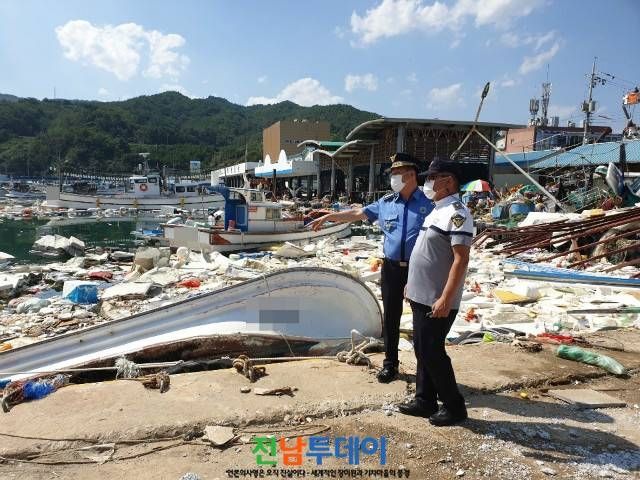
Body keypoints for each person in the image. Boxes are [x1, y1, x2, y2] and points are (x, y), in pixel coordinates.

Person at [309, 153, 433, 383]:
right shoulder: (386, 203)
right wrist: (329, 216)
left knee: (421, 320)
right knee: (391, 317)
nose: (392, 178)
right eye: (392, 173)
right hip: (392, 269)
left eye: (396, 173)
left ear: (411, 175)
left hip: (420, 269)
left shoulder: (430, 203)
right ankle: (390, 364)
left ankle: (425, 369)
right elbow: (357, 214)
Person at [399, 159, 473, 427]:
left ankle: (454, 406)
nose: (427, 182)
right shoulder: (437, 210)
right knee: (421, 348)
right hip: (420, 294)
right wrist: (411, 284)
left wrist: (445, 298)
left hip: (437, 298)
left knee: (432, 350)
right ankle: (424, 400)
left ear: (448, 181)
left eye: (432, 177)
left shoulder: (458, 214)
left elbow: (460, 260)